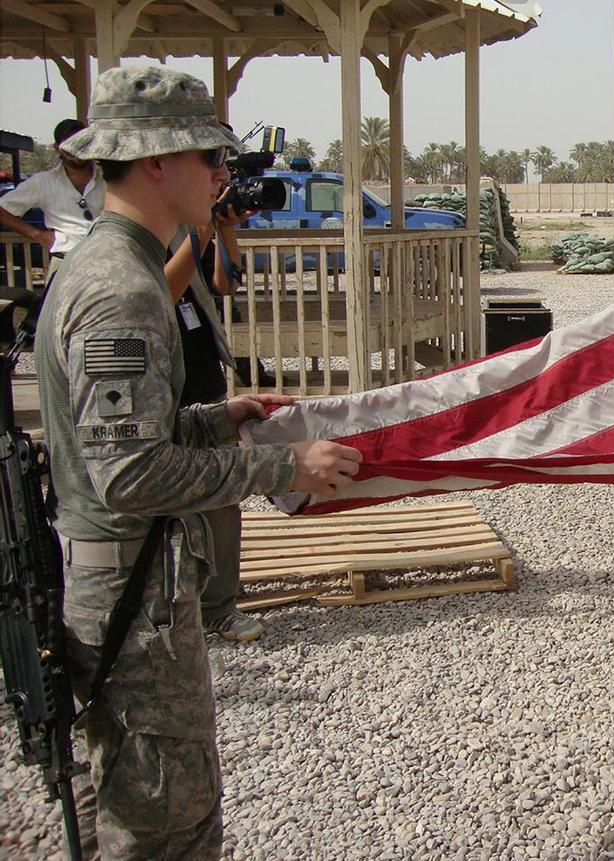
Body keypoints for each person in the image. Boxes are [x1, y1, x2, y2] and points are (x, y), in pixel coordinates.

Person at [36, 65, 362, 856]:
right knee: (165, 819)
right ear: (155, 162)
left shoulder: (117, 263)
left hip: (128, 575)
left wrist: (217, 418)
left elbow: (118, 436)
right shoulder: (121, 288)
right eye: (208, 158)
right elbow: (131, 474)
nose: (222, 176)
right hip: (130, 589)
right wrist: (286, 469)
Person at [164, 189, 265, 642]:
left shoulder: (191, 231)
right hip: (165, 391)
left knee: (223, 503)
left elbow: (225, 284)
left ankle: (220, 606)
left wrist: (225, 228)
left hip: (205, 382)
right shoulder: (139, 243)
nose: (220, 179)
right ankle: (171, 609)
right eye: (213, 167)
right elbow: (161, 292)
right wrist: (205, 225)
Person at [0, 118, 106, 279]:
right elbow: (3, 210)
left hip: (107, 260)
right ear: (57, 148)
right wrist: (37, 235)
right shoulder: (43, 182)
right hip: (64, 261)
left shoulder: (111, 179)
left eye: (81, 142)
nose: (76, 149)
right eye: (69, 142)